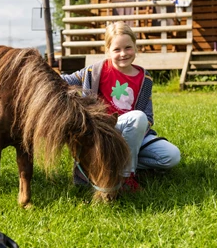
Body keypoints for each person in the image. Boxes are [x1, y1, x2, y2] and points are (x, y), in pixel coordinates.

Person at [61, 21, 181, 192]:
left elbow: (148, 117)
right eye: (117, 49)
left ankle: (114, 163)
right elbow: (63, 81)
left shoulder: (144, 78)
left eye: (128, 47)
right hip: (103, 132)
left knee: (171, 156)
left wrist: (137, 132)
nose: (123, 53)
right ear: (108, 50)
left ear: (135, 47)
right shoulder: (94, 71)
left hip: (132, 133)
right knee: (137, 117)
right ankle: (126, 176)